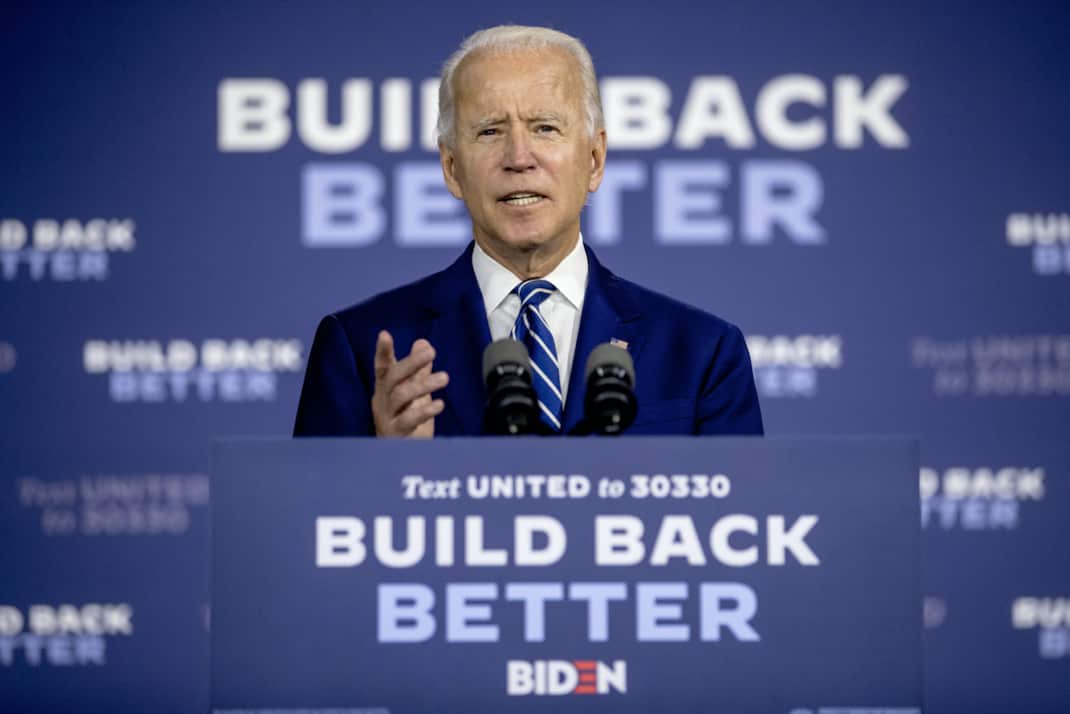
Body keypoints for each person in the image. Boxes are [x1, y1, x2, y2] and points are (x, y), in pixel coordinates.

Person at [294, 25, 763, 437]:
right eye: (490, 132)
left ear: (595, 160)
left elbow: (739, 526)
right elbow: (311, 525)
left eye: (544, 128)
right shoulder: (362, 348)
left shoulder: (703, 352)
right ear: (452, 168)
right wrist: (385, 466)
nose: (519, 158)